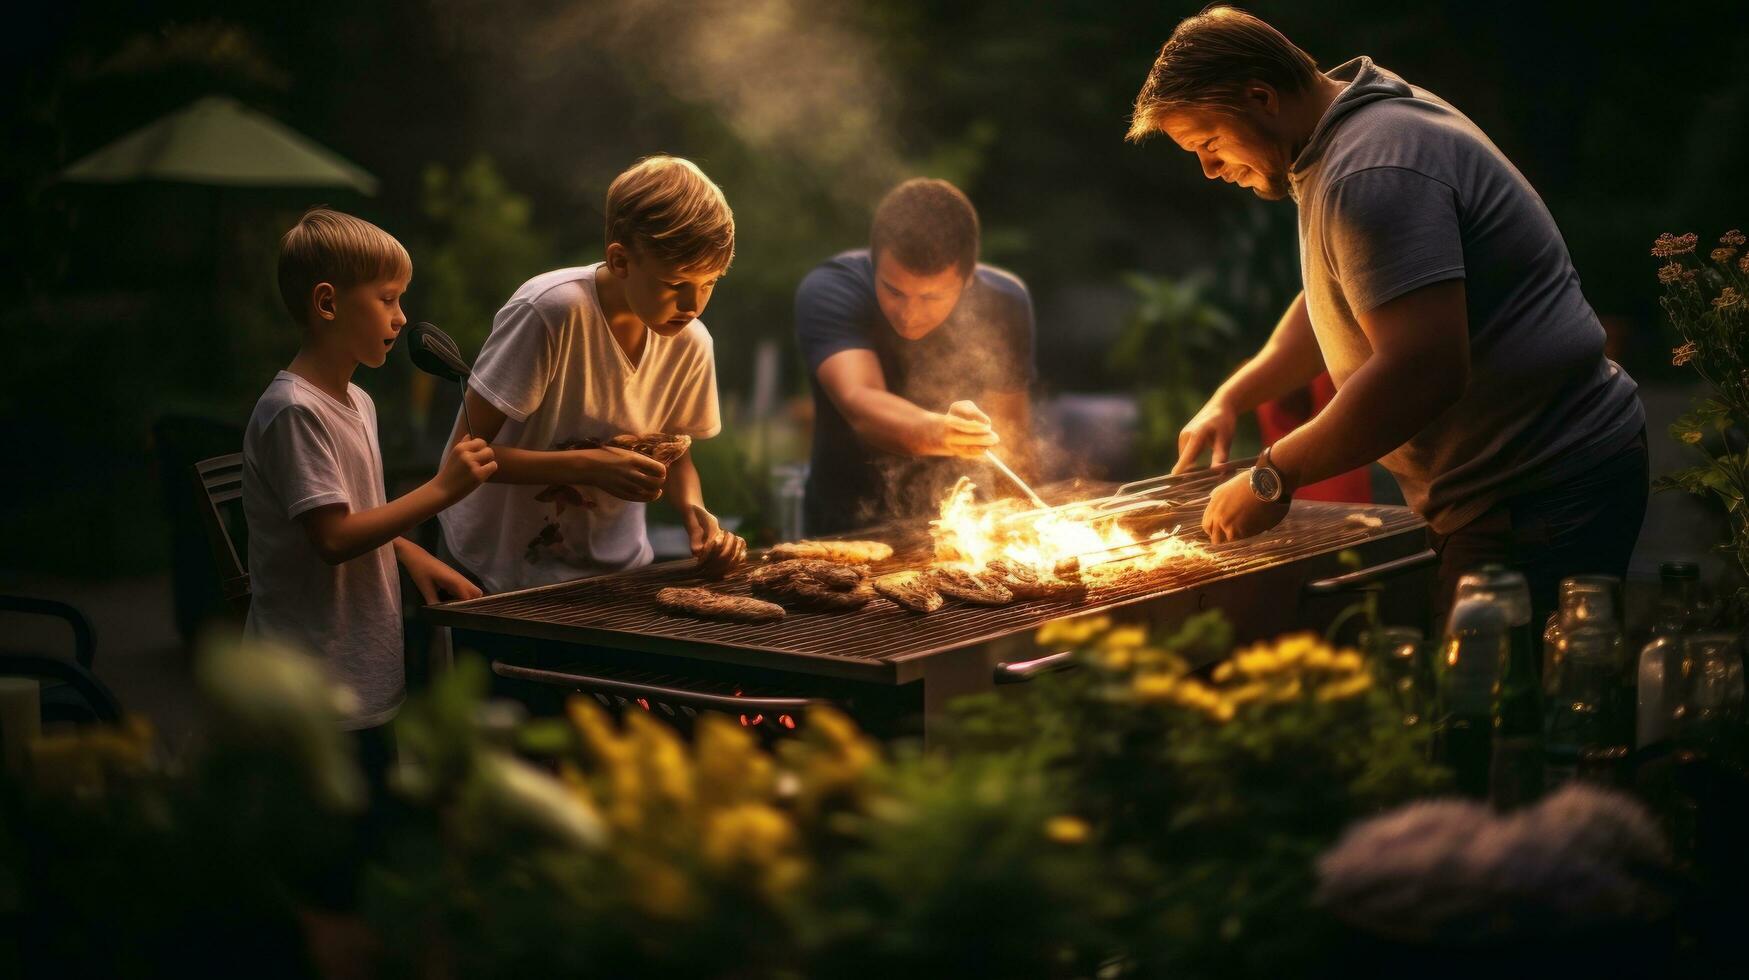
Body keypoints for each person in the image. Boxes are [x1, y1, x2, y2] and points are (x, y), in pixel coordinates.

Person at [1127, 7, 1646, 629]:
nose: (1208, 169)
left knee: (1499, 708)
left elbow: (1422, 368)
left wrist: (1271, 477)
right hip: (1523, 484)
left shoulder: (1370, 170)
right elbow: (1350, 293)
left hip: (1537, 488)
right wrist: (1234, 396)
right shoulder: (1352, 127)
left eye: (1209, 143)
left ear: (1261, 97)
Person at [438, 156, 746, 594]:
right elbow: (465, 455)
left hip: (614, 575)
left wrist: (693, 510)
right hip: (494, 570)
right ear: (620, 261)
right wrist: (589, 465)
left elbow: (677, 454)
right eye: (675, 283)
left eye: (710, 283)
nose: (692, 305)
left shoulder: (692, 341)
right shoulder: (550, 312)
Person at [244, 208, 496, 736]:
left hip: (363, 668)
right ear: (328, 303)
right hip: (310, 684)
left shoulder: (359, 401)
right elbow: (333, 537)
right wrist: (442, 490)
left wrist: (410, 554)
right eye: (387, 299)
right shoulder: (294, 411)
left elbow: (359, 516)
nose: (402, 317)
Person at [796, 177, 1036, 535]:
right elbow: (861, 401)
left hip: (966, 528)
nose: (909, 314)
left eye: (931, 298)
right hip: (848, 527)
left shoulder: (1004, 302)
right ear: (873, 264)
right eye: (894, 291)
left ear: (968, 278)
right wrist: (940, 431)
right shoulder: (831, 289)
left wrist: (1022, 524)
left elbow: (1010, 437)